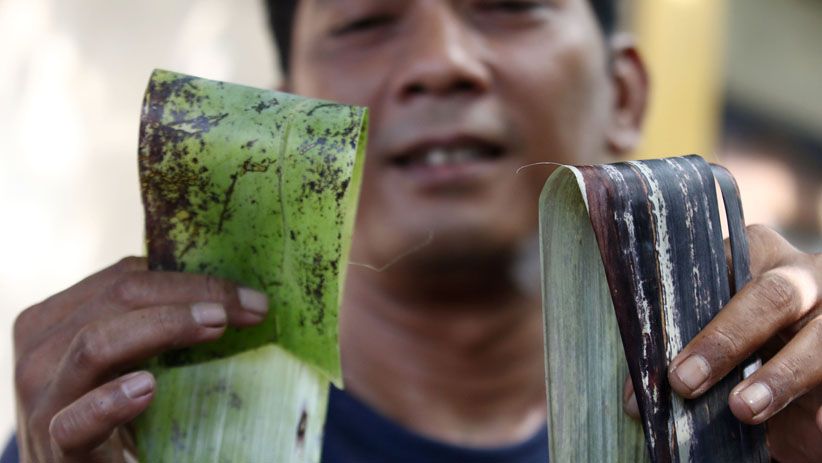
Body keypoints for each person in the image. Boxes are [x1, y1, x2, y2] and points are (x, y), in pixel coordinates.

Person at [4, 0, 821, 461]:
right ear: (289, 122)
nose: (442, 61)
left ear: (626, 95)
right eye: (365, 21)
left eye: (507, 7)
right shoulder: (125, 438)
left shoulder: (754, 418)